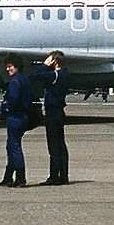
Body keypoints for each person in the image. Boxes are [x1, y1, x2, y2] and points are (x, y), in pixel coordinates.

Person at [29, 51, 70, 185]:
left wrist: (45, 65)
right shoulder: (65, 74)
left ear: (54, 61)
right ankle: (64, 175)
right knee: (61, 145)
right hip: (60, 111)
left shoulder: (54, 75)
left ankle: (54, 177)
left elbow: (36, 75)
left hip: (52, 112)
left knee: (53, 146)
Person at [0, 56, 31, 187]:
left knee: (14, 147)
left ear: (17, 66)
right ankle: (8, 176)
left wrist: (5, 107)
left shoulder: (15, 81)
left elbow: (13, 98)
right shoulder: (24, 79)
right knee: (11, 146)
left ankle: (20, 178)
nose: (8, 69)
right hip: (23, 116)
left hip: (16, 117)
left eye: (10, 66)